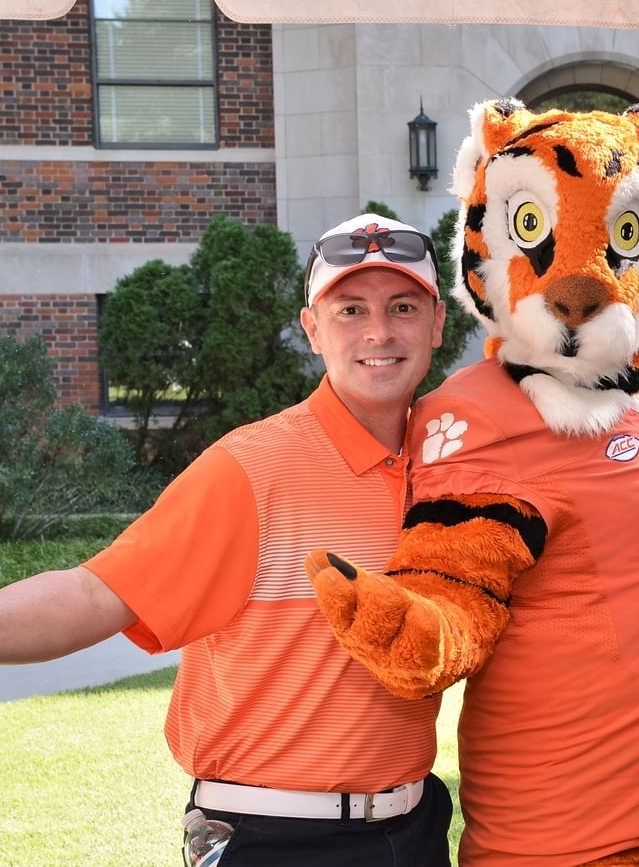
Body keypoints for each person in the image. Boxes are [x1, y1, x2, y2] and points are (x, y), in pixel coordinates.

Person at [0, 214, 454, 866]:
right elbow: (93, 594)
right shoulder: (251, 466)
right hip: (273, 836)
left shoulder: (453, 473)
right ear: (312, 330)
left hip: (413, 829)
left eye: (402, 306)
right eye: (350, 309)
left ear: (436, 323)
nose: (378, 332)